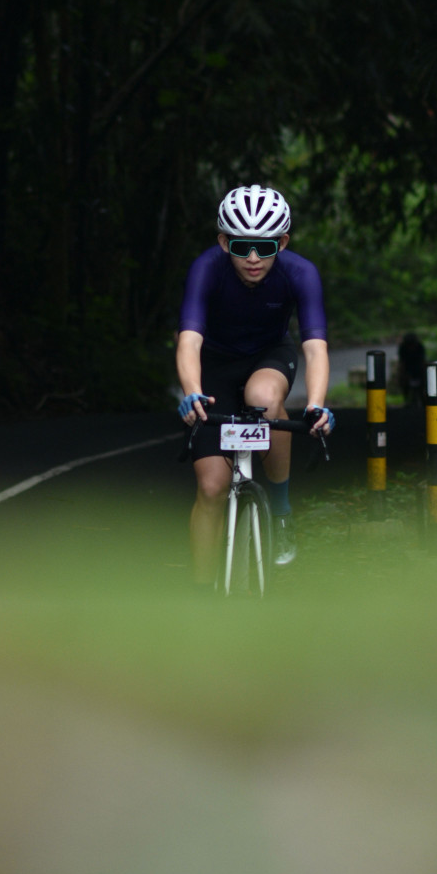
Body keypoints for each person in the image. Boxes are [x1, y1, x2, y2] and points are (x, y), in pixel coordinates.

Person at [176, 184, 334, 583]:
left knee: (261, 396)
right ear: (223, 242)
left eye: (264, 248)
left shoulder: (300, 273)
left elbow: (315, 348)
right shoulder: (206, 268)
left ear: (282, 243)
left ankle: (280, 510)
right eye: (240, 246)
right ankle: (201, 596)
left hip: (269, 357)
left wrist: (316, 404)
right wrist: (192, 392)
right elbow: (189, 341)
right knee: (211, 489)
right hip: (215, 365)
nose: (252, 258)